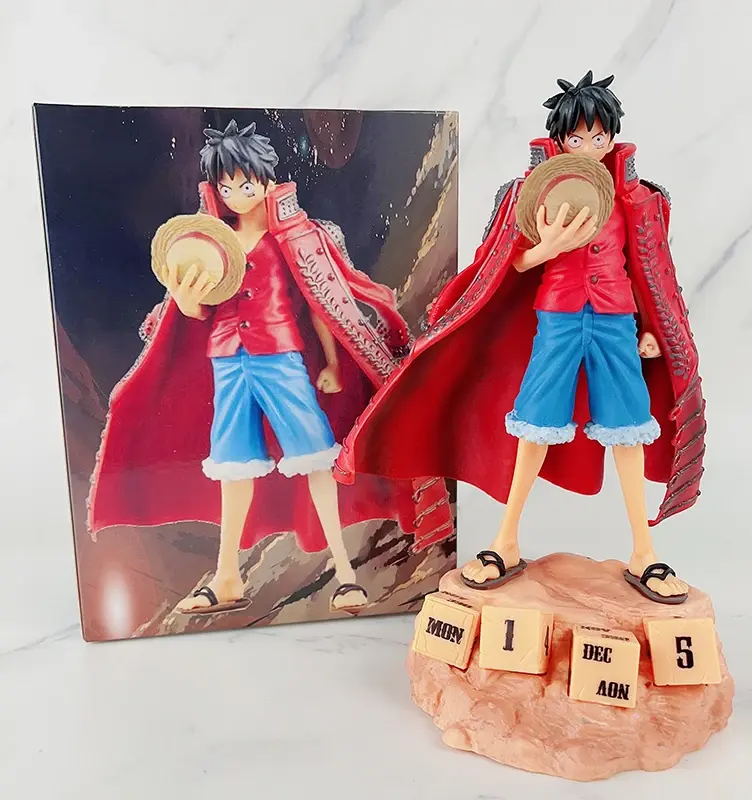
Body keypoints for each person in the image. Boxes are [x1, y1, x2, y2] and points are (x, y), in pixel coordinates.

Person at [336, 72, 706, 605]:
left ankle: (643, 552)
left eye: (599, 137)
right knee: (534, 426)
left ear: (612, 137)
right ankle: (505, 541)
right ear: (559, 140)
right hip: (557, 320)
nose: (590, 148)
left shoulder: (640, 198)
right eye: (577, 138)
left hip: (615, 321)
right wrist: (547, 247)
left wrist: (651, 328)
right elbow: (502, 266)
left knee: (628, 429)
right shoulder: (526, 194)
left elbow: (649, 270)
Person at [89, 120, 454, 615]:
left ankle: (345, 574)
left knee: (316, 458)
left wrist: (332, 363)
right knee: (233, 466)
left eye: (247, 184)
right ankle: (227, 576)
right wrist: (186, 300)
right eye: (226, 187)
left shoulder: (297, 238)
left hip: (281, 360)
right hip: (228, 363)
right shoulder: (213, 244)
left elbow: (322, 305)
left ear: (266, 180)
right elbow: (195, 312)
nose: (237, 195)